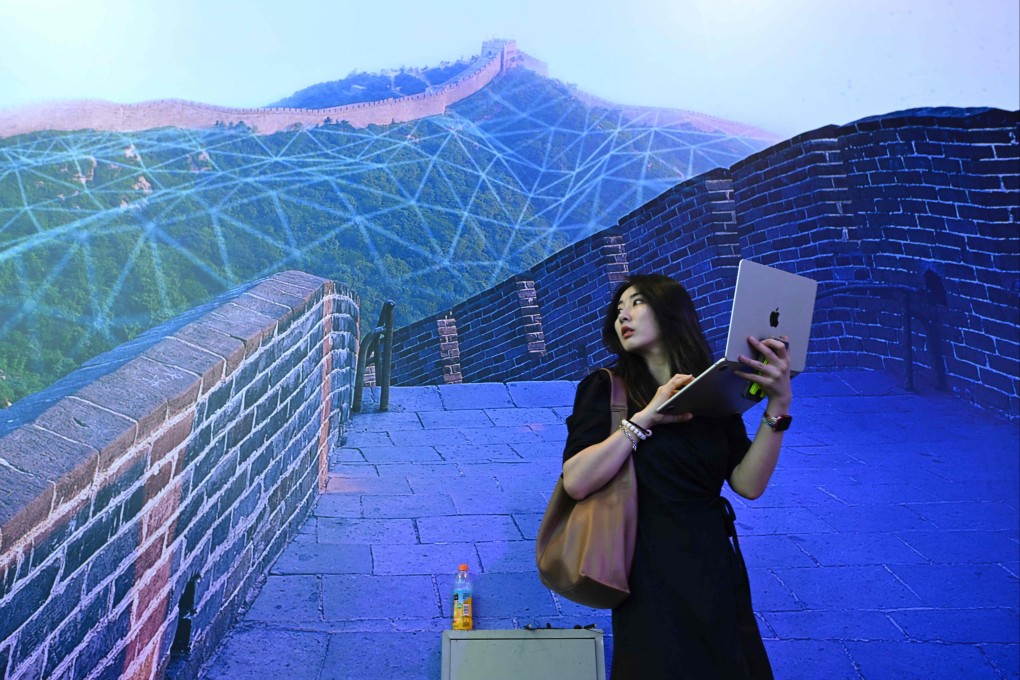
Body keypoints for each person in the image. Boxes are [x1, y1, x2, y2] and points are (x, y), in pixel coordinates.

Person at [562, 274, 792, 680]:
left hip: (714, 564)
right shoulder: (606, 387)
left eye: (637, 303)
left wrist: (778, 404)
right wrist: (644, 419)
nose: (623, 316)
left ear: (672, 312)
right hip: (647, 568)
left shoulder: (712, 389)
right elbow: (576, 481)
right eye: (618, 310)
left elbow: (748, 484)